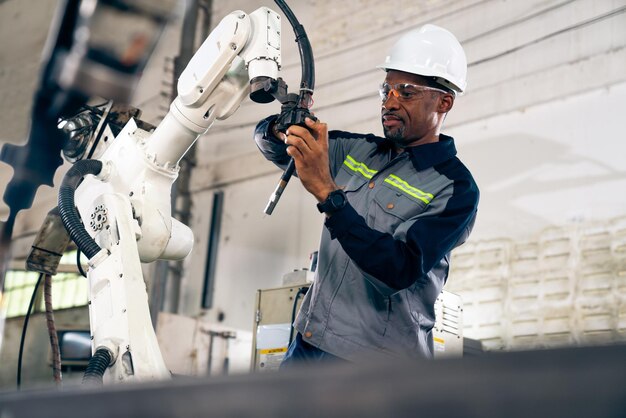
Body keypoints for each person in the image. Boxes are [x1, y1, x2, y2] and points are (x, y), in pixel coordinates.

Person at [254, 24, 479, 365]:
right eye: (385, 90)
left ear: (444, 101)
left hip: (373, 363)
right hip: (309, 341)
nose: (389, 102)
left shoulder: (454, 188)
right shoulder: (357, 150)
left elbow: (399, 267)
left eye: (406, 92)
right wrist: (282, 124)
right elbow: (273, 146)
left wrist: (330, 195)